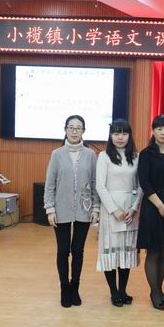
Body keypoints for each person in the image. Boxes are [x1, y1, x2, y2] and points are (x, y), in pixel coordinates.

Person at [44, 115, 100, 308]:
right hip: (61, 209)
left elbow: (95, 182)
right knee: (63, 250)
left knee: (78, 250)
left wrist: (96, 207)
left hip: (84, 209)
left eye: (78, 128)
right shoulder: (57, 154)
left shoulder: (90, 155)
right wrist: (50, 209)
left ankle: (75, 287)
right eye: (71, 127)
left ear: (83, 131)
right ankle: (64, 288)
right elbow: (50, 184)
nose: (74, 131)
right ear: (65, 129)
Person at [95, 119, 143, 307]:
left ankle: (123, 290)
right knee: (111, 250)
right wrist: (114, 210)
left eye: (124, 133)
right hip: (110, 210)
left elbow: (141, 185)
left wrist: (134, 207)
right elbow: (100, 186)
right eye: (116, 133)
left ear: (129, 135)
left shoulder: (136, 156)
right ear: (111, 136)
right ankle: (113, 292)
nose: (120, 137)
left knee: (126, 251)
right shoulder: (104, 156)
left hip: (130, 210)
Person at [137, 115, 164, 310]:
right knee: (154, 251)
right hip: (153, 208)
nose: (163, 132)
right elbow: (144, 183)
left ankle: (160, 290)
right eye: (159, 129)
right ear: (153, 131)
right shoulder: (146, 154)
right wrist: (160, 206)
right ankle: (154, 293)